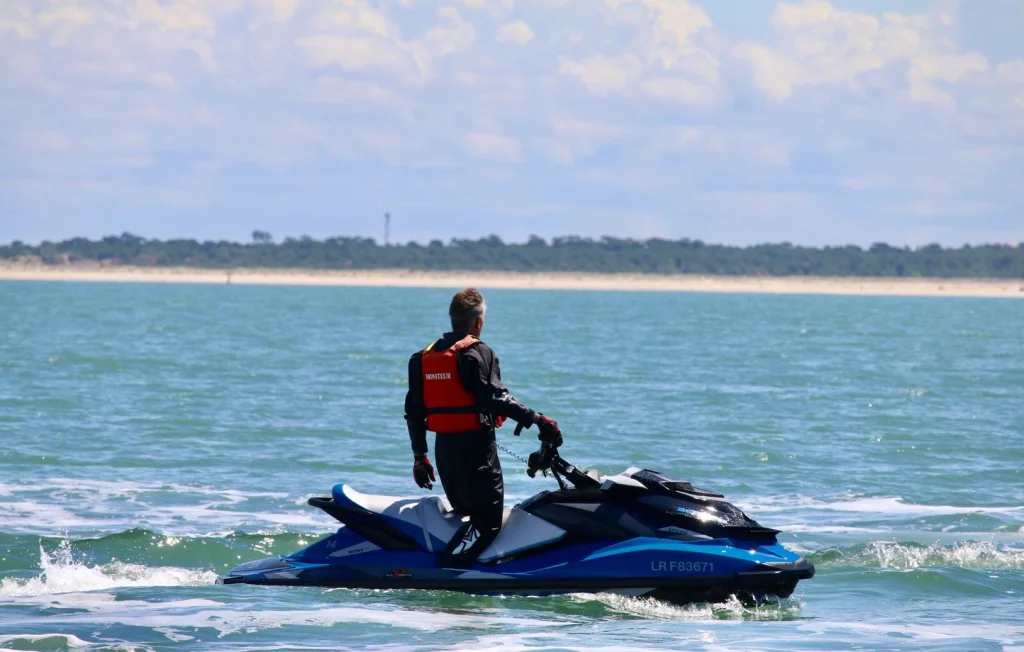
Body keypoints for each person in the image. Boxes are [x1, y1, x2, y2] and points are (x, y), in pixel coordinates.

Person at [404, 287, 561, 567]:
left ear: (452, 319)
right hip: (477, 454)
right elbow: (497, 398)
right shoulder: (478, 352)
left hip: (445, 454)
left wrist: (420, 458)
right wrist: (540, 420)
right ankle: (449, 570)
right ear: (478, 323)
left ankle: (465, 566)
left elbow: (413, 413)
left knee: (465, 512)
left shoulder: (422, 359)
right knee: (487, 524)